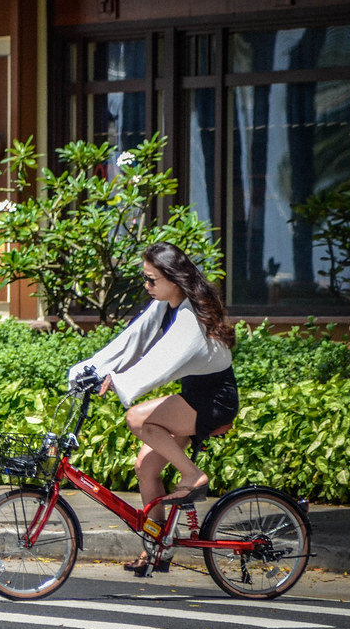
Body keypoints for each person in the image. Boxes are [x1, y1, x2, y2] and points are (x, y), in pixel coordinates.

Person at [69, 241, 237, 574]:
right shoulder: (166, 306)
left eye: (151, 280)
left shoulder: (190, 317)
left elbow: (162, 361)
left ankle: (192, 475)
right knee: (146, 467)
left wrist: (118, 381)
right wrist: (92, 369)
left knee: (137, 417)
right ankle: (156, 549)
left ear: (173, 279)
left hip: (213, 401)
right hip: (194, 398)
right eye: (144, 279)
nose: (147, 286)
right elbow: (132, 340)